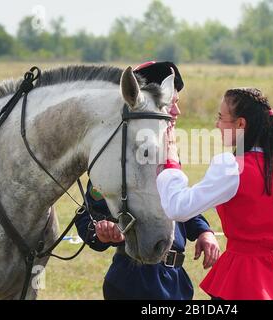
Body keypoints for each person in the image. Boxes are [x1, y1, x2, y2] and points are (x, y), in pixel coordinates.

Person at [156, 88, 273, 300]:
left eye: (221, 118)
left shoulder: (231, 168)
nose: (217, 124)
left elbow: (178, 208)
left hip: (243, 278)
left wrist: (170, 162)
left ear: (241, 124)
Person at [75, 61, 220, 300]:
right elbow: (87, 215)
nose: (177, 112)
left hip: (176, 281)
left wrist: (204, 231)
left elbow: (179, 202)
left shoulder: (167, 152)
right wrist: (100, 232)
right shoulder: (122, 159)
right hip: (134, 281)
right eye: (173, 103)